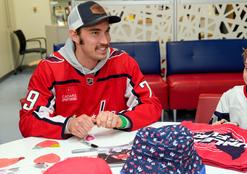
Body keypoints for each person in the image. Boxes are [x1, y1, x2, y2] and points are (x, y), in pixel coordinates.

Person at [19, 1, 162, 139]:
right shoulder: (49, 69)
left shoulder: (124, 62)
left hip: (113, 148)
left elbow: (152, 105)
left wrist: (121, 120)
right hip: (68, 153)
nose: (105, 41)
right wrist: (68, 125)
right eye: (95, 33)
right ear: (74, 35)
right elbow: (28, 120)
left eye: (106, 31)